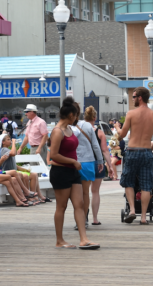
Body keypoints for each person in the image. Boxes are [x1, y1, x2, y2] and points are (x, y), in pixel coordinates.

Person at [49, 96, 99, 250]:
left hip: (74, 172)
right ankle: (59, 240)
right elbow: (54, 155)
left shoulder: (70, 129)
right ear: (71, 115)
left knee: (79, 204)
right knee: (61, 206)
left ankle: (83, 239)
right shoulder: (57, 131)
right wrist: (73, 162)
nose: (77, 118)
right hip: (61, 171)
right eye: (76, 115)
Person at [114, 87, 153, 224]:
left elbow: (122, 135)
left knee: (128, 181)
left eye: (134, 97)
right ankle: (143, 218)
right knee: (146, 184)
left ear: (140, 98)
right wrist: (149, 149)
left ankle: (133, 210)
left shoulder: (131, 114)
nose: (133, 99)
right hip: (146, 152)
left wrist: (117, 128)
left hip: (132, 151)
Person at [72, 104, 103, 228]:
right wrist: (100, 161)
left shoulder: (65, 126)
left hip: (72, 162)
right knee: (85, 193)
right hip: (88, 162)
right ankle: (83, 219)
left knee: (74, 194)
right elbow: (95, 145)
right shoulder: (87, 126)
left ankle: (77, 219)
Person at [85, 107, 114, 225]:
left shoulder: (79, 130)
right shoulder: (99, 132)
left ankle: (83, 217)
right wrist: (110, 166)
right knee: (95, 191)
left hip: (85, 162)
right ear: (95, 118)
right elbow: (105, 150)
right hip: (97, 163)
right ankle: (95, 219)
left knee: (84, 192)